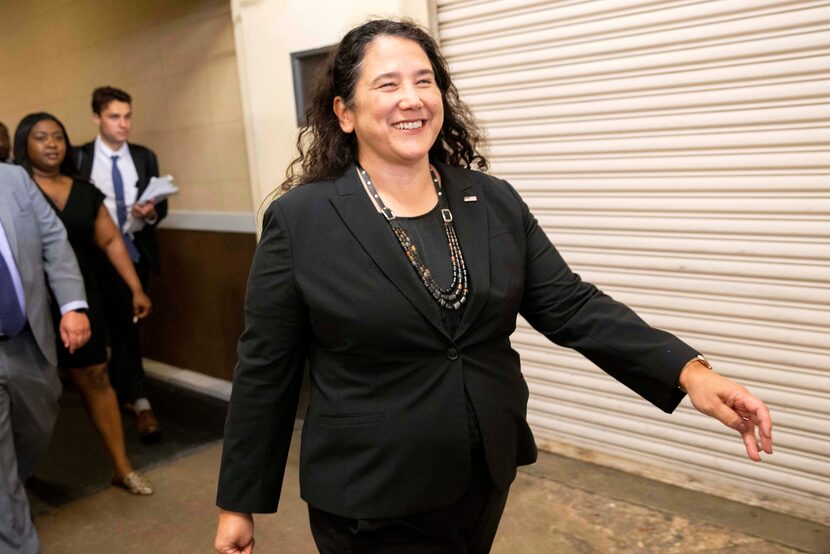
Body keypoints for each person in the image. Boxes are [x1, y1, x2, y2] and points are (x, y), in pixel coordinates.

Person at [214, 19, 773, 554]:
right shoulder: (303, 219)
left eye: (424, 81)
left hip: (482, 476)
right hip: (372, 495)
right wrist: (239, 501)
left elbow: (571, 304)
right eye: (387, 85)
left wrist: (690, 372)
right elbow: (267, 366)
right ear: (345, 112)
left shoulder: (491, 200)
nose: (411, 98)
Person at [14, 112, 155, 495]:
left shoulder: (84, 190)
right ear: (24, 143)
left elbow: (111, 241)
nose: (52, 144)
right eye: (41, 137)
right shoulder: (14, 189)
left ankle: (121, 468)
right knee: (32, 394)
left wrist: (135, 289)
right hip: (27, 303)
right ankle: (18, 474)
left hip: (79, 297)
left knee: (96, 376)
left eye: (58, 136)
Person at [0, 163, 91, 553]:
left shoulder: (13, 178)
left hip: (28, 339)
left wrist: (72, 305)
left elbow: (54, 240)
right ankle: (17, 540)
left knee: (37, 428)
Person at [75, 86, 167, 441]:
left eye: (127, 116)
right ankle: (108, 393)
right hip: (92, 259)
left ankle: (139, 400)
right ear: (97, 117)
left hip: (134, 252)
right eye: (114, 116)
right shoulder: (80, 158)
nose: (123, 124)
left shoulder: (144, 157)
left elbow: (161, 205)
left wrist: (151, 211)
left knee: (129, 328)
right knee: (101, 329)